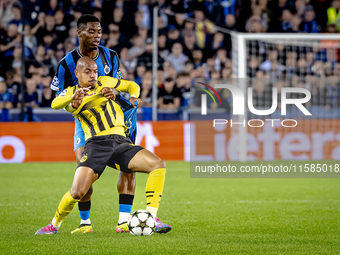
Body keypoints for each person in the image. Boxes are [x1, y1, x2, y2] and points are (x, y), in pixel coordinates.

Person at [50, 14, 171, 234]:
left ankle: (124, 222)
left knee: (130, 168)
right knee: (82, 171)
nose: (97, 36)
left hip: (118, 116)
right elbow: (57, 98)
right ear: (79, 33)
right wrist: (73, 100)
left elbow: (124, 86)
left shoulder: (110, 56)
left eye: (99, 31)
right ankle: (84, 223)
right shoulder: (65, 64)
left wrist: (120, 93)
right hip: (86, 119)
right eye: (91, 31)